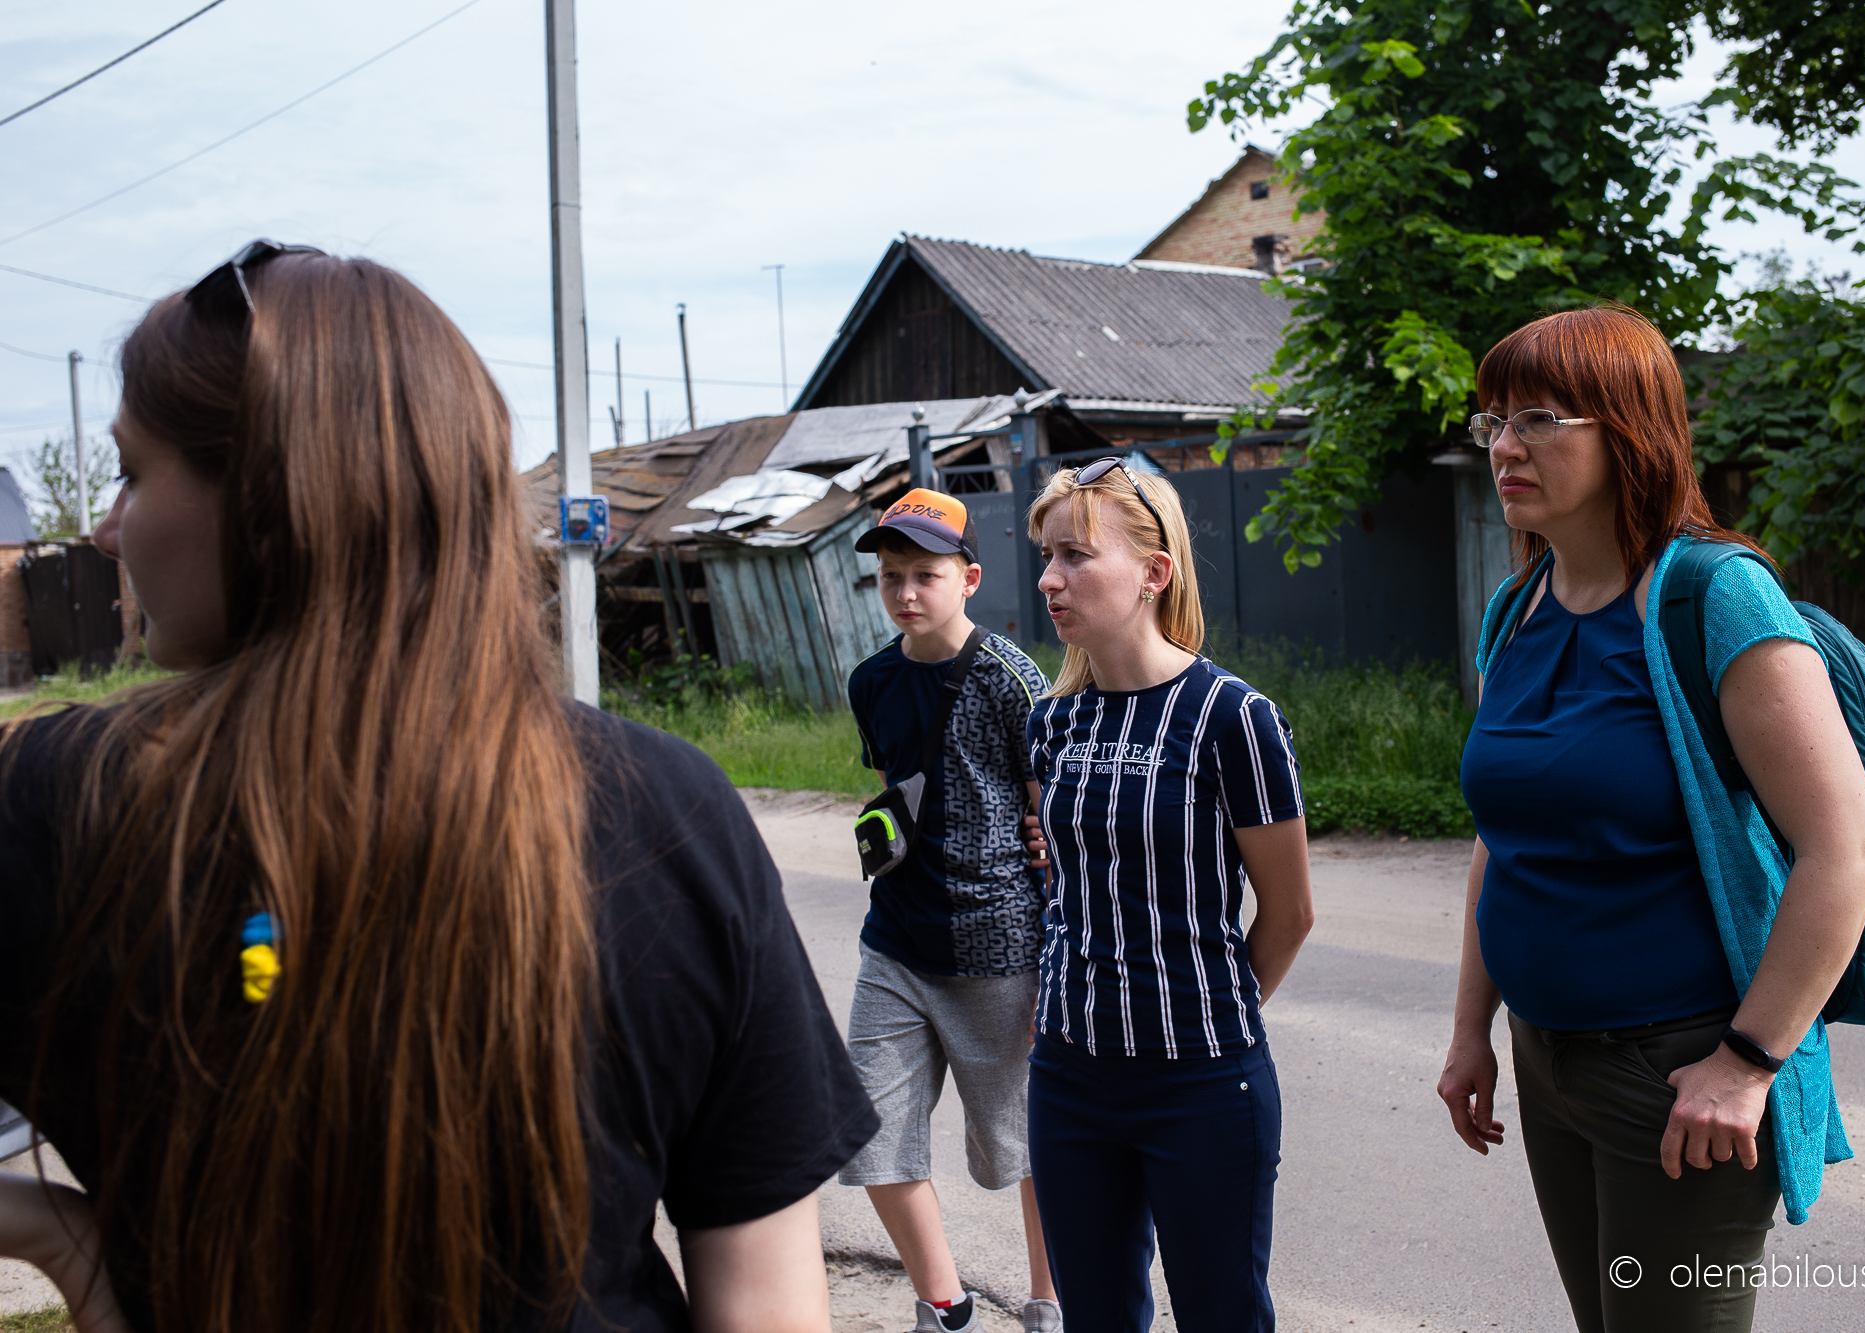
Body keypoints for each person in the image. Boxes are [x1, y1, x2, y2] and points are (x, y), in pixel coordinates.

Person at [0, 242, 878, 1333]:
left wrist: (77, 1252)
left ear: (271, 494)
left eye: (133, 472)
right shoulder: (666, 811)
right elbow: (767, 1305)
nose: (104, 527)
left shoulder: (57, 803)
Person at [1436, 305, 1865, 1333]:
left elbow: (1848, 848)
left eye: (1538, 418)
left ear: (1628, 431)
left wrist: (1747, 1063)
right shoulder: (1516, 608)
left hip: (1681, 1076)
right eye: (1494, 420)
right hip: (1547, 1060)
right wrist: (1471, 1029)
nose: (1504, 445)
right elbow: (1503, 839)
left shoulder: (1712, 597)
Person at [1022, 459, 1314, 1333]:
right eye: (1046, 556)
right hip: (1068, 1078)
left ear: (1154, 571)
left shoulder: (1233, 717)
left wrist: (1205, 1018)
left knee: (1223, 1316)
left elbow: (1290, 913)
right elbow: (1068, 885)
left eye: (1075, 555)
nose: (1048, 579)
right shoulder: (1053, 722)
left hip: (1201, 1082)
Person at [842, 488, 1060, 1333]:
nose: (905, 592)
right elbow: (898, 786)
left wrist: (1057, 960)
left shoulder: (1012, 678)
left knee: (1027, 1143)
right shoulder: (871, 680)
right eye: (891, 575)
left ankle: (1050, 1302)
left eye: (925, 575)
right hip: (894, 941)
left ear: (967, 578)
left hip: (997, 948)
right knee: (871, 1126)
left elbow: (1051, 824)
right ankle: (946, 1306)